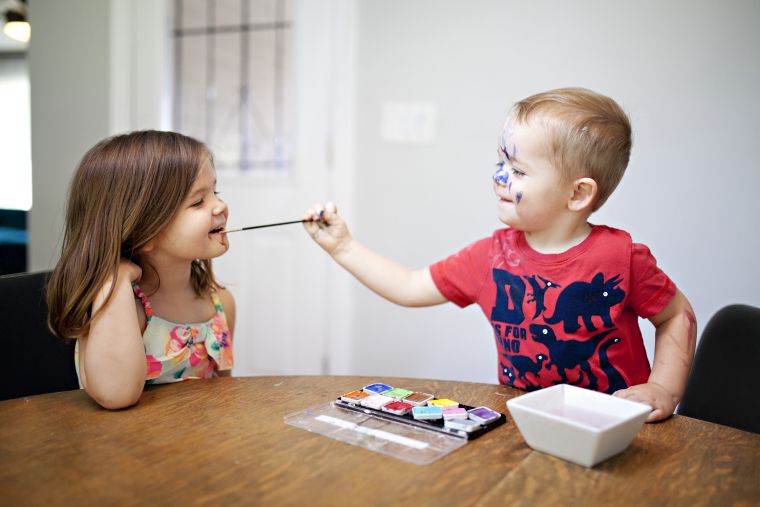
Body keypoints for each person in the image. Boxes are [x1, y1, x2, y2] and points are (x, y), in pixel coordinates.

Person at [304, 87, 696, 422]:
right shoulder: (491, 256)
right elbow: (409, 286)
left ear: (577, 194)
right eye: (500, 162)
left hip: (619, 428)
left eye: (519, 171)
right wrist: (343, 246)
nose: (499, 178)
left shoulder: (621, 257)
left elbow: (676, 314)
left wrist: (662, 388)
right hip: (529, 425)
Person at [47, 130, 235, 410]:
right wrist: (115, 281)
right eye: (198, 201)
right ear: (145, 233)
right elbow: (116, 394)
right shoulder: (119, 307)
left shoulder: (219, 303)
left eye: (215, 192)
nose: (220, 205)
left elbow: (227, 398)